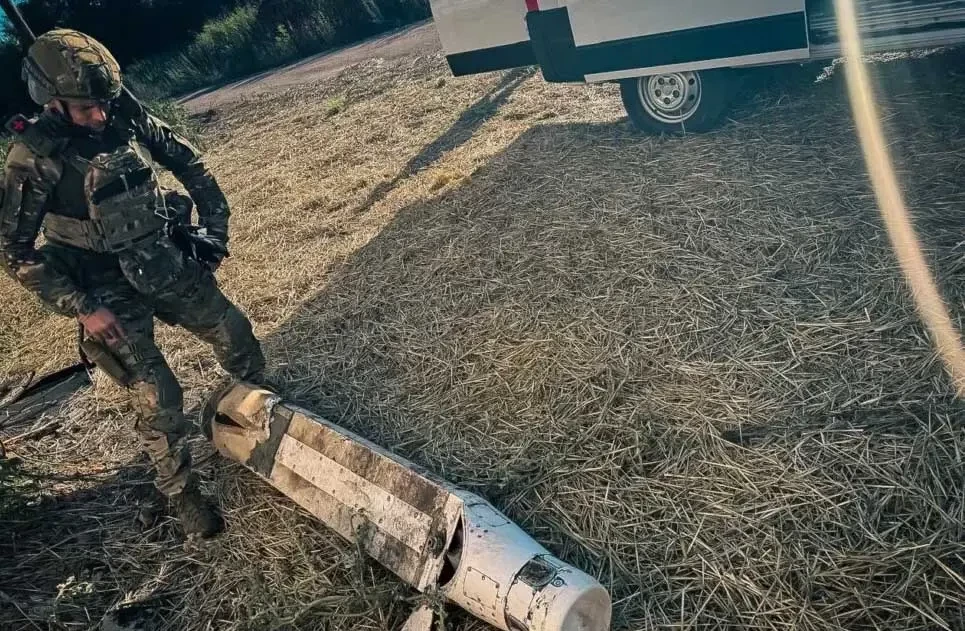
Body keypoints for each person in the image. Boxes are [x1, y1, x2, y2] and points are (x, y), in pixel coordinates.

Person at [0, 29, 266, 538]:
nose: (100, 116)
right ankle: (181, 493)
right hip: (100, 286)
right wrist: (83, 307)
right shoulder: (33, 157)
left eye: (104, 103)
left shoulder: (121, 111)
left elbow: (188, 162)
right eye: (86, 108)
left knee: (235, 334)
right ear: (51, 102)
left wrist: (215, 229)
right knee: (157, 395)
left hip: (161, 260)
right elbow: (15, 251)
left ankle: (263, 413)